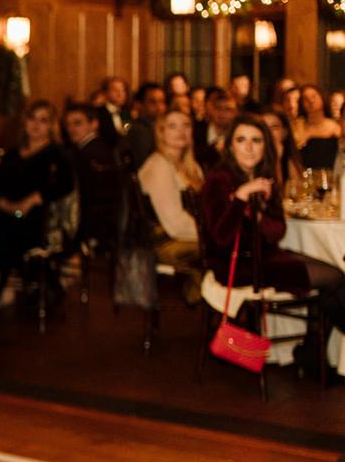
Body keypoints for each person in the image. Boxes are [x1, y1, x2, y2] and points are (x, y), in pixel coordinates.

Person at [200, 115, 345, 346]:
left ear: (264, 145)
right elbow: (221, 237)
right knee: (335, 279)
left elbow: (278, 231)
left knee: (336, 275)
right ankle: (311, 351)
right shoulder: (218, 180)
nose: (249, 147)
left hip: (264, 257)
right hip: (235, 264)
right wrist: (240, 197)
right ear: (230, 145)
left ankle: (312, 350)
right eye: (241, 140)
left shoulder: (262, 177)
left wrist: (256, 213)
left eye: (256, 140)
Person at [0, 100, 74, 304]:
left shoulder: (57, 154)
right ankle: (5, 278)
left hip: (41, 213)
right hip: (7, 210)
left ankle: (15, 279)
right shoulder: (12, 154)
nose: (36, 125)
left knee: (22, 224)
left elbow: (66, 184)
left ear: (51, 125)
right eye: (32, 118)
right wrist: (3, 203)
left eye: (43, 120)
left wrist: (33, 200)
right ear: (24, 122)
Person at [136, 110, 203, 302]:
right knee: (229, 251)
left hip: (187, 236)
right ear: (161, 132)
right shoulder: (159, 166)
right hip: (165, 242)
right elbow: (175, 223)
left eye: (186, 125)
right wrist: (212, 235)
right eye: (172, 126)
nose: (180, 131)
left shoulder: (191, 166)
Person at [63, 100, 121, 253]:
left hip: (93, 231)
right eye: (67, 124)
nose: (71, 129)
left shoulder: (87, 155)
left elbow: (90, 200)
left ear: (94, 124)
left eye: (77, 123)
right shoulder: (97, 150)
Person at [290, 83, 341, 170]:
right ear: (301, 104)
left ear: (321, 97)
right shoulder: (297, 126)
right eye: (306, 99)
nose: (311, 101)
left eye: (314, 96)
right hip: (305, 176)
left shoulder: (335, 126)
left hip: (329, 176)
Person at [125, 81, 167, 170]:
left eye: (162, 101)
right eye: (153, 102)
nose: (159, 107)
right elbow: (144, 165)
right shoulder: (139, 130)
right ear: (139, 105)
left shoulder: (161, 127)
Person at [262, 107, 303, 193]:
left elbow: (298, 192)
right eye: (264, 127)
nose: (268, 132)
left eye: (274, 127)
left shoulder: (288, 156)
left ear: (284, 132)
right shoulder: (252, 160)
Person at [194, 88, 236, 169]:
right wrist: (213, 149)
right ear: (211, 110)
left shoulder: (238, 134)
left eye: (227, 109)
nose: (222, 113)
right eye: (218, 108)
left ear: (235, 113)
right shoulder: (197, 130)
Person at [97, 75, 132, 145]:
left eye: (123, 90)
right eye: (115, 90)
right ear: (106, 93)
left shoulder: (127, 113)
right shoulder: (99, 113)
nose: (120, 94)